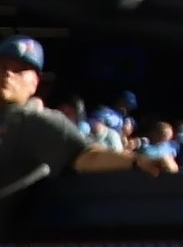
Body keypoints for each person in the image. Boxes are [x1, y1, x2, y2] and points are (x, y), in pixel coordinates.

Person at [0, 36, 128, 210]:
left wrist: (137, 162)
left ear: (35, 83)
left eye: (20, 70)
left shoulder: (36, 121)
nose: (8, 73)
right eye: (3, 66)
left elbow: (87, 156)